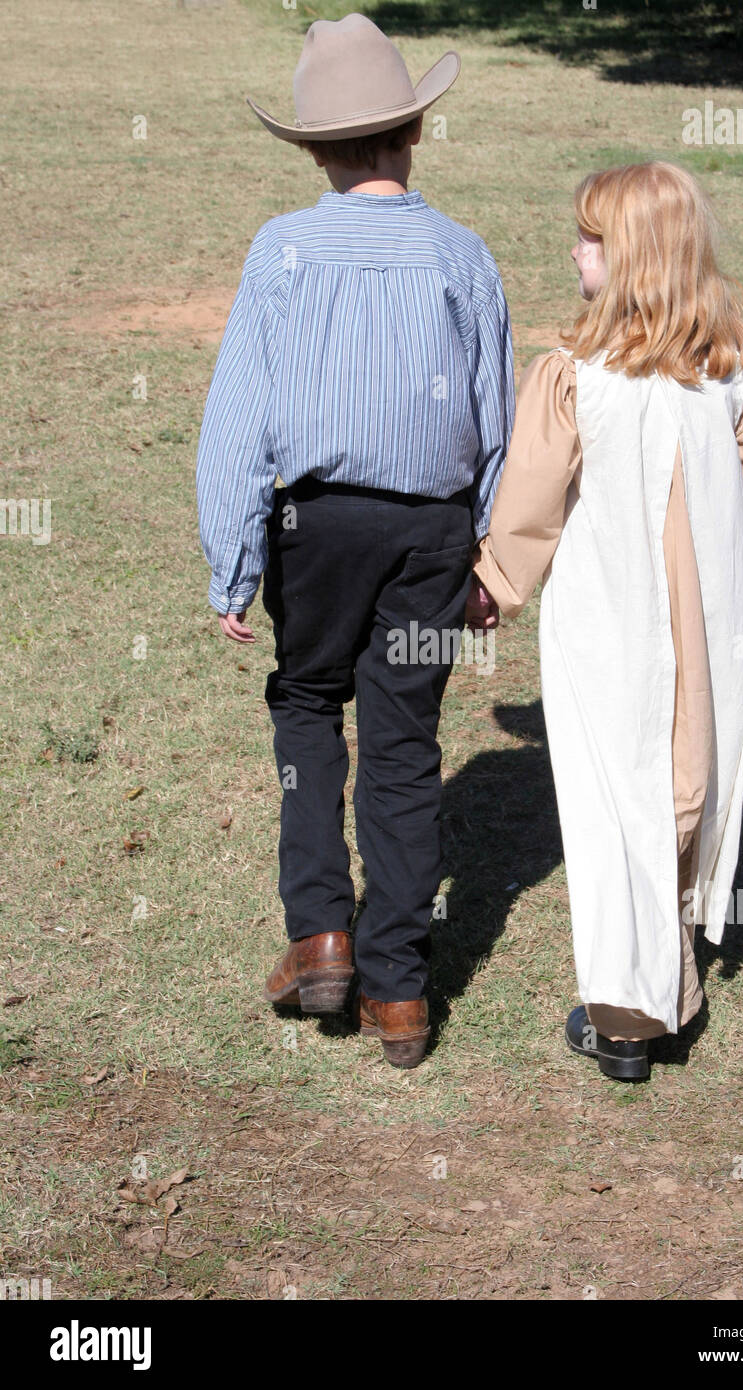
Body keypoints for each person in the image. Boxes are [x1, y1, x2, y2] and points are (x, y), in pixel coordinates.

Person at [196, 15, 514, 1068]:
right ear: (413, 130)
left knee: (304, 701)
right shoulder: (463, 256)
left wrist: (234, 559)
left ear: (313, 150)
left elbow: (237, 418)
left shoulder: (282, 250)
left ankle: (320, 929)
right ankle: (400, 991)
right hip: (430, 535)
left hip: (313, 526)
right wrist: (487, 554)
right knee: (405, 744)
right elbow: (496, 421)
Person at [474, 162, 743, 1080]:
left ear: (637, 257)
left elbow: (530, 500)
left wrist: (491, 580)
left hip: (609, 624)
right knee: (680, 782)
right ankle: (661, 985)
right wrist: (727, 584)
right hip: (700, 621)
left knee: (618, 798)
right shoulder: (729, 381)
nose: (574, 248)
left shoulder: (576, 380)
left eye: (592, 237)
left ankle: (625, 1017)